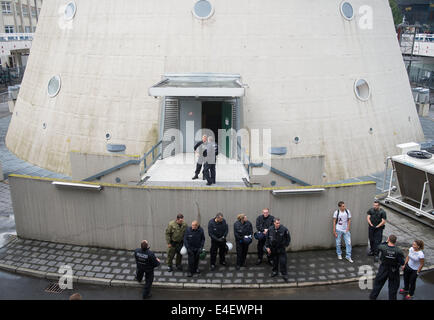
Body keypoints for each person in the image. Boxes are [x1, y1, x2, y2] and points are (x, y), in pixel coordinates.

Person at [369, 235, 405, 300]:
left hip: (383, 268)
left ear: (388, 239)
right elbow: (402, 262)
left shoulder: (383, 247)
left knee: (378, 284)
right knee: (393, 287)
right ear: (395, 241)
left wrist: (386, 242)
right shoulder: (398, 251)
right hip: (394, 270)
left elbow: (378, 246)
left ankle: (373, 297)